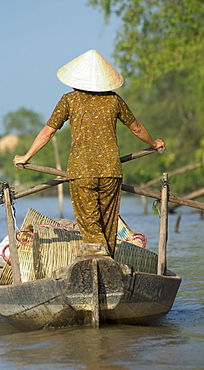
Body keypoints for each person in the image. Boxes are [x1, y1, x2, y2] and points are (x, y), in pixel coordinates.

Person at [13, 50, 165, 258]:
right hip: (111, 171)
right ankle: (108, 262)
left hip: (81, 172)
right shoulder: (114, 101)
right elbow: (136, 128)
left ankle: (101, 260)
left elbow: (48, 132)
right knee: (108, 223)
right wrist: (154, 143)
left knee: (90, 223)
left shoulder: (69, 100)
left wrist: (26, 156)